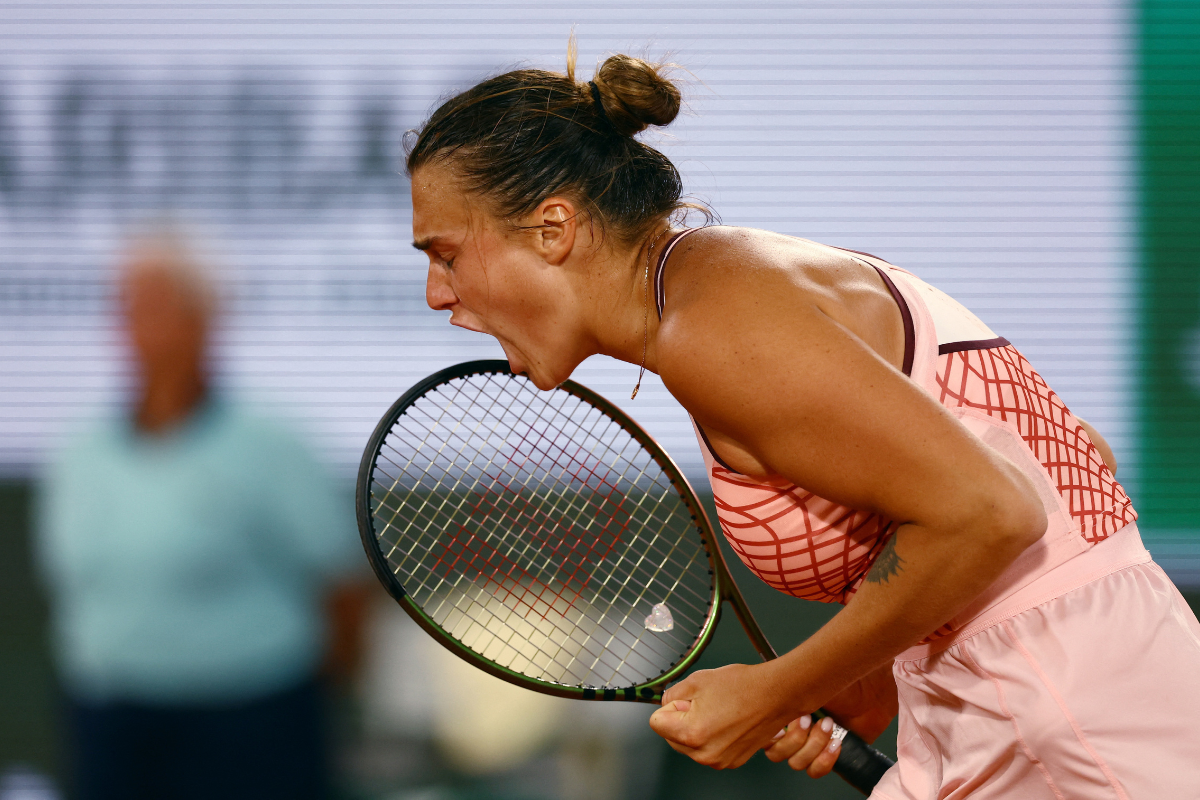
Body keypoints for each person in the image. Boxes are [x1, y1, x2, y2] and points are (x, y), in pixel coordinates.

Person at [402, 48, 1200, 798]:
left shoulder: (714, 325)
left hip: (1071, 716)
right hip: (1039, 688)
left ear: (552, 228)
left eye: (445, 255)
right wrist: (865, 679)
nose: (438, 294)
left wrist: (777, 690)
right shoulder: (719, 283)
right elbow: (1064, 454)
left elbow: (995, 511)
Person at [36, 231, 362, 800]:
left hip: (251, 730)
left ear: (207, 320)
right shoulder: (78, 452)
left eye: (161, 305)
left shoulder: (271, 443)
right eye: (129, 306)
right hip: (110, 727)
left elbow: (343, 588)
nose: (142, 324)